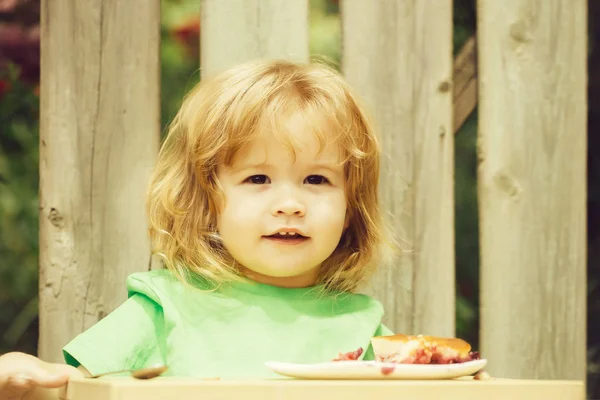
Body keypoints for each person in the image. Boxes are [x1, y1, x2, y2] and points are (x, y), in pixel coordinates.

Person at [0, 59, 395, 399]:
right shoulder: (164, 308)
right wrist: (28, 377)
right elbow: (76, 388)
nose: (289, 204)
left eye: (316, 180)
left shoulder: (365, 329)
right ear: (205, 202)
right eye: (258, 179)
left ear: (351, 208)